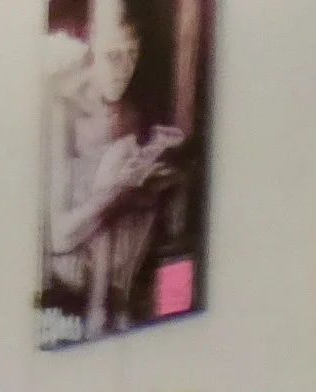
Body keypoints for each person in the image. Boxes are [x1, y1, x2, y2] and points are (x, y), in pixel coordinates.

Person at [45, 0, 187, 341]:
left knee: (159, 168)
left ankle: (129, 306)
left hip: (117, 263)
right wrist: (117, 191)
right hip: (70, 259)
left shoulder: (129, 112)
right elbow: (60, 236)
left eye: (132, 54)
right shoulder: (64, 109)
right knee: (119, 157)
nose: (125, 69)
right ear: (93, 42)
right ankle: (107, 311)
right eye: (114, 55)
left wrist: (147, 185)